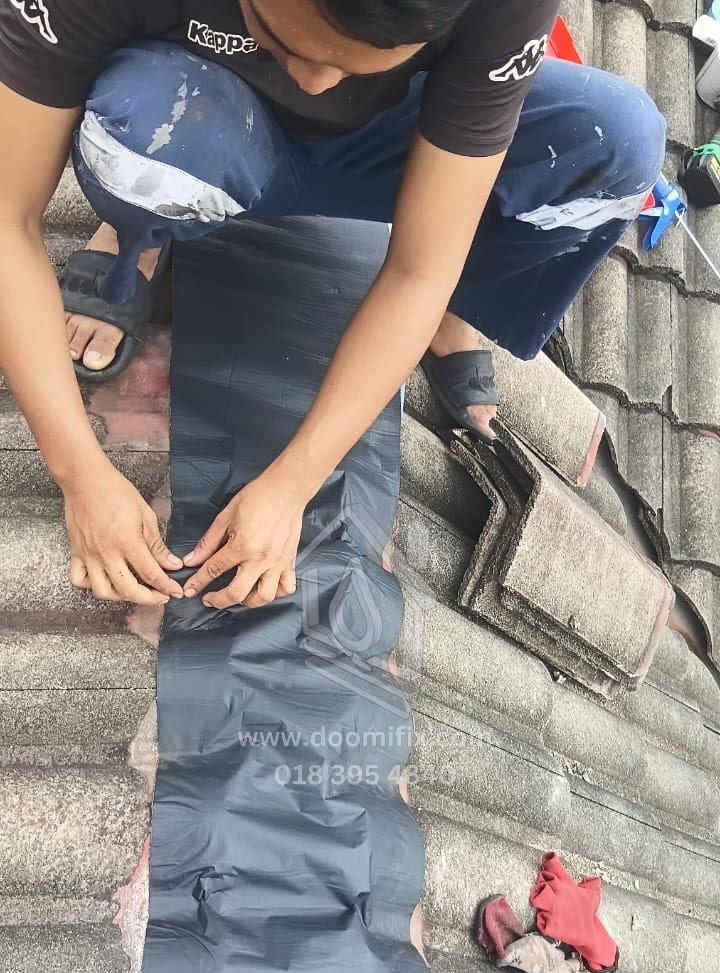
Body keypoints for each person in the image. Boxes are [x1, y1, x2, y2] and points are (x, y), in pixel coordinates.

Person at [0, 0, 665, 610]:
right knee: (145, 142)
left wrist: (292, 486)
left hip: (391, 139)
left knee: (620, 143)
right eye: (285, 43)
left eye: (356, 62)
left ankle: (455, 303)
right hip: (208, 114)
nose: (316, 83)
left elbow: (417, 270)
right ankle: (139, 234)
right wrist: (80, 476)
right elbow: (7, 216)